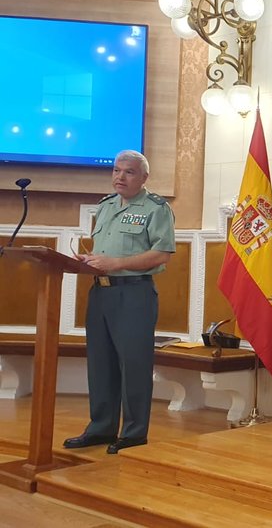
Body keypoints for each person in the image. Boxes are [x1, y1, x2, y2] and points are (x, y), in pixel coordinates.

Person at [63, 150, 175, 454]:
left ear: (144, 177)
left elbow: (161, 254)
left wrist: (115, 263)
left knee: (134, 365)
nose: (119, 177)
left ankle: (134, 432)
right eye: (115, 170)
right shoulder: (107, 206)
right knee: (101, 364)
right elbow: (105, 253)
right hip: (100, 292)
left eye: (128, 172)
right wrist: (88, 261)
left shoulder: (156, 208)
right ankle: (101, 428)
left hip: (134, 293)